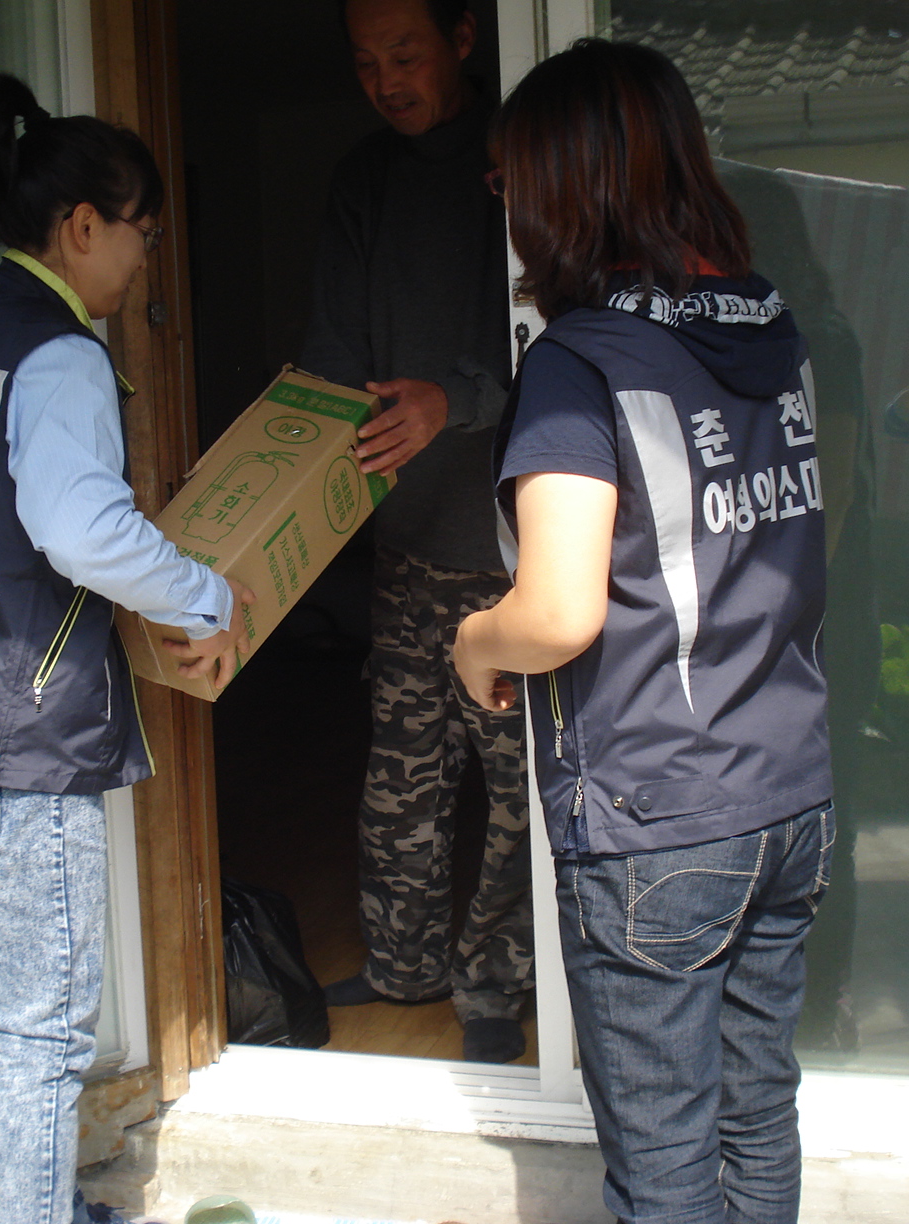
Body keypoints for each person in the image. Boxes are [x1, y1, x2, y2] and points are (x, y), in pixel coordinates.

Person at [0, 74, 250, 1224]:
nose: (145, 261)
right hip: (9, 757)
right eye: (143, 235)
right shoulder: (59, 354)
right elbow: (81, 531)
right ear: (83, 226)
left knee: (3, 1019)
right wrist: (207, 595)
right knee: (39, 1036)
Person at [455, 40, 835, 1224]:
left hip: (657, 813)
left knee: (664, 1162)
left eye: (511, 179)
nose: (504, 204)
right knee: (757, 1118)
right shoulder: (770, 327)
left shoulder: (580, 366)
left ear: (563, 189)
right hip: (787, 791)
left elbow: (557, 612)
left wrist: (475, 642)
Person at [301, 0, 533, 1065]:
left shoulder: (516, 160)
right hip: (404, 536)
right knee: (402, 771)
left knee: (519, 785)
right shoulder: (366, 179)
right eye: (365, 62)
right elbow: (332, 353)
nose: (386, 81)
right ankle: (402, 967)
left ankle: (494, 985)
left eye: (405, 55)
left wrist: (456, 399)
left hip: (513, 546)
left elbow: (557, 339)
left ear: (463, 41)